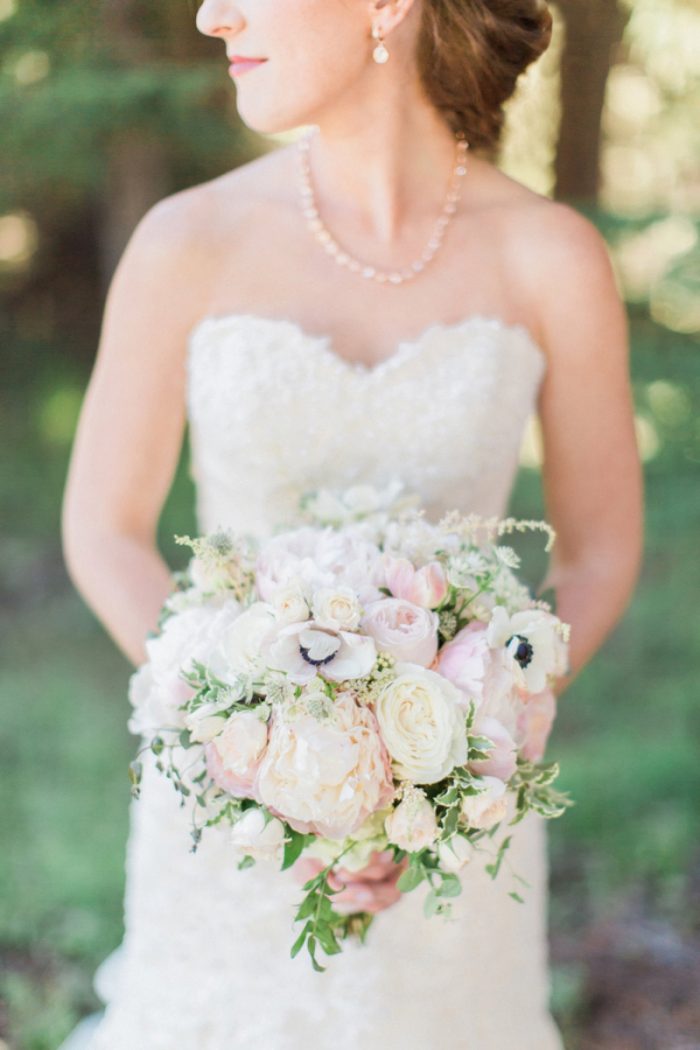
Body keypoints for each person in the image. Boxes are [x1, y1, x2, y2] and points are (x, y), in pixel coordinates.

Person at [59, 0, 643, 1046]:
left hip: (452, 834)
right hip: (227, 817)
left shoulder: (552, 258)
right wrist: (250, 748)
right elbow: (104, 527)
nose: (210, 13)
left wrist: (465, 742)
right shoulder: (185, 241)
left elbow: (599, 552)